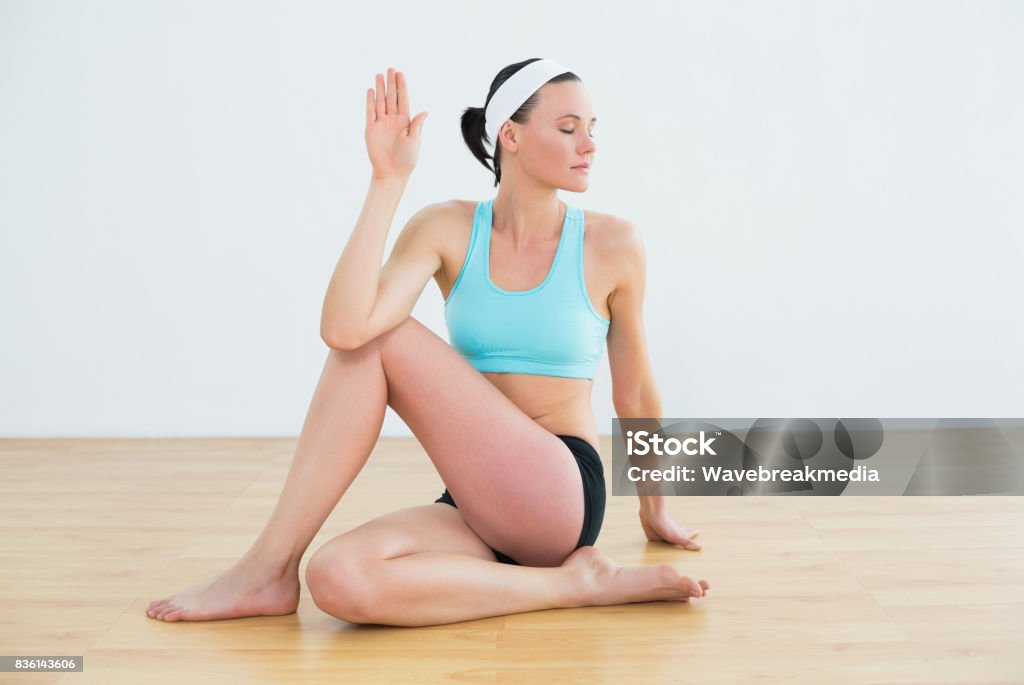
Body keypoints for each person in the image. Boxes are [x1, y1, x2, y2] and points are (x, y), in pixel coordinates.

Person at [146, 58, 709, 627]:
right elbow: (343, 330)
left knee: (381, 338)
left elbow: (635, 394)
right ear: (509, 136)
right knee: (338, 577)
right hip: (476, 505)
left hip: (559, 490)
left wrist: (655, 510)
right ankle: (570, 585)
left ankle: (266, 566)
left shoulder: (614, 243)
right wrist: (387, 181)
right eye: (568, 128)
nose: (588, 143)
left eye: (592, 128)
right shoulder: (447, 227)